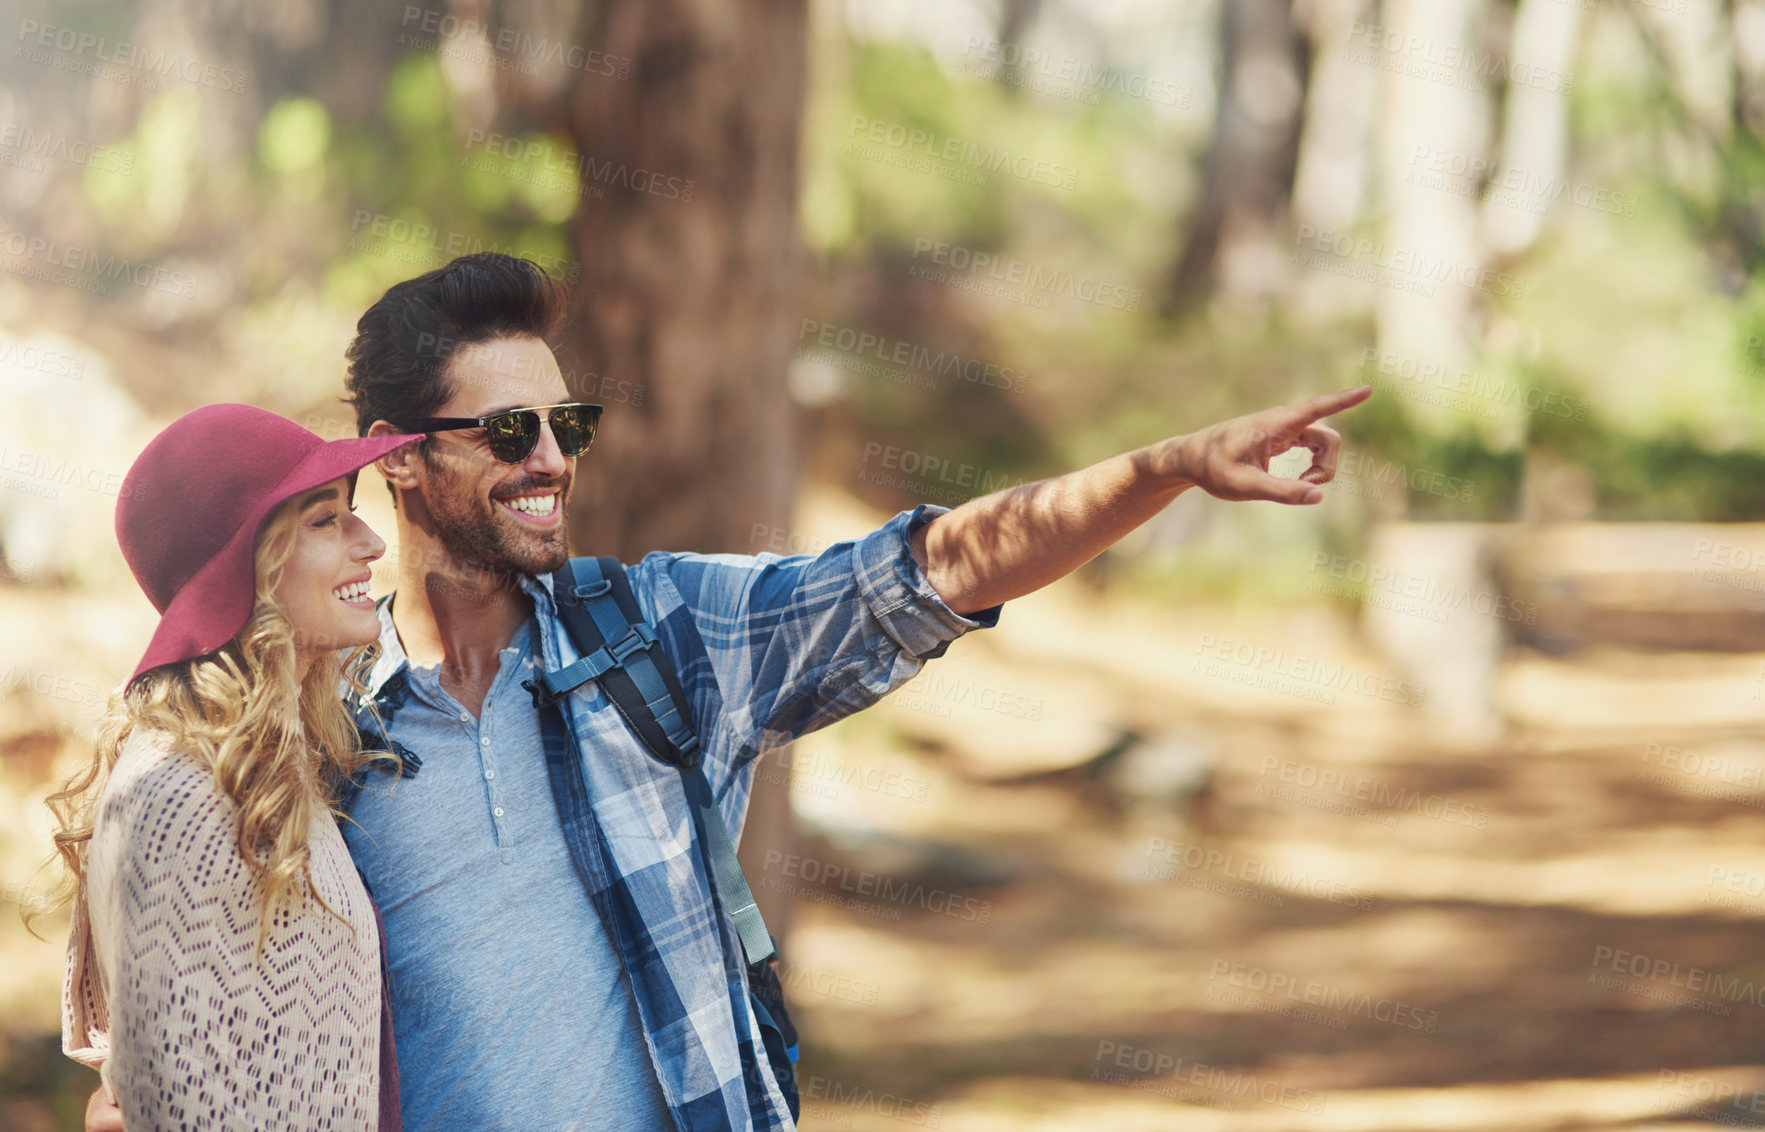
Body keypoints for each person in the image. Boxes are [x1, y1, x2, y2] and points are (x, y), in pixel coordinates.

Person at [86, 252, 1369, 1131]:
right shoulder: (325, 737)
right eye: (510, 432)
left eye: (566, 424)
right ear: (407, 463)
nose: (551, 462)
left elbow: (924, 568)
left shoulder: (662, 638)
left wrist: (1165, 469)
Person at [49, 404, 424, 1131]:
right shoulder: (180, 793)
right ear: (243, 568)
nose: (371, 541)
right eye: (324, 521)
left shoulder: (262, 770)